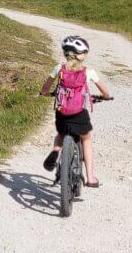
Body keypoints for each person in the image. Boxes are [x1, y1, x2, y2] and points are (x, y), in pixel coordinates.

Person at [41, 34, 112, 188]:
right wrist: (105, 97)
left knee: (61, 133)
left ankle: (55, 150)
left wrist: (45, 93)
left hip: (62, 112)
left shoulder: (59, 69)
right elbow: (106, 92)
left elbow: (45, 88)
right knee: (86, 139)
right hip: (79, 113)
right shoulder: (89, 72)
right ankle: (91, 178)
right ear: (81, 55)